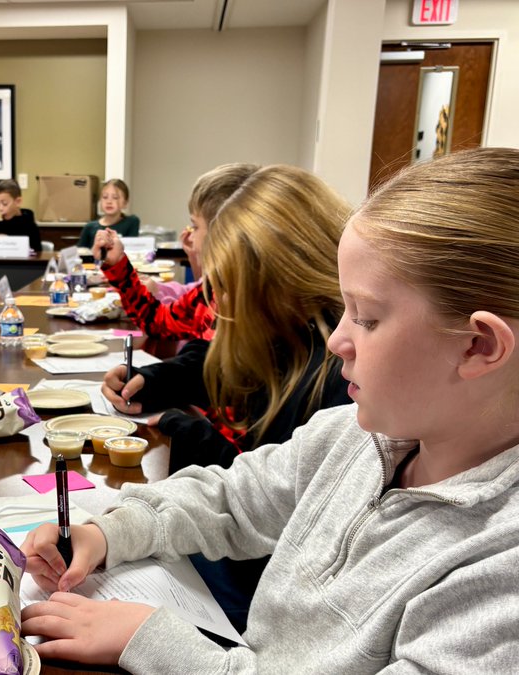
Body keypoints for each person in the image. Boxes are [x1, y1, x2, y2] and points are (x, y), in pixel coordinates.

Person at [20, 148, 519, 672]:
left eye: (368, 317)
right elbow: (235, 499)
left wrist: (159, 643)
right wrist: (109, 533)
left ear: (479, 345)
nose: (336, 340)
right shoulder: (365, 437)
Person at [99, 165, 352, 631]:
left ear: (279, 284)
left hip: (262, 593)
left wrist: (181, 426)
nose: (220, 307)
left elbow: (266, 510)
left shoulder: (337, 380)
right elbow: (252, 488)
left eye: (229, 289)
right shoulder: (287, 344)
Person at [92, 164, 259, 341]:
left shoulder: (252, 309)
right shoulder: (213, 291)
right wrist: (118, 264)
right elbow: (159, 321)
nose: (191, 236)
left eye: (195, 226)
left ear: (223, 233)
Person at [77, 179, 140, 249]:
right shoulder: (89, 227)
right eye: (105, 197)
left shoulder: (131, 222)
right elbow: (80, 253)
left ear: (125, 203)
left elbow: (131, 251)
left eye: (115, 198)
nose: (109, 201)